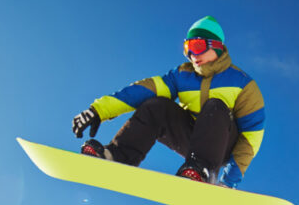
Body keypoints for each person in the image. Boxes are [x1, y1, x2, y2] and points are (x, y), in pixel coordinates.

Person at [71, 16, 264, 188]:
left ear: (217, 47)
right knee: (156, 105)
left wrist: (227, 181)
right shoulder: (182, 75)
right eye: (187, 49)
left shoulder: (242, 83)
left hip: (221, 145)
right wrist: (97, 110)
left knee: (215, 106)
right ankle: (116, 156)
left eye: (197, 47)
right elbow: (143, 90)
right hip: (191, 138)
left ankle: (201, 171)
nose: (192, 55)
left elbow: (251, 137)